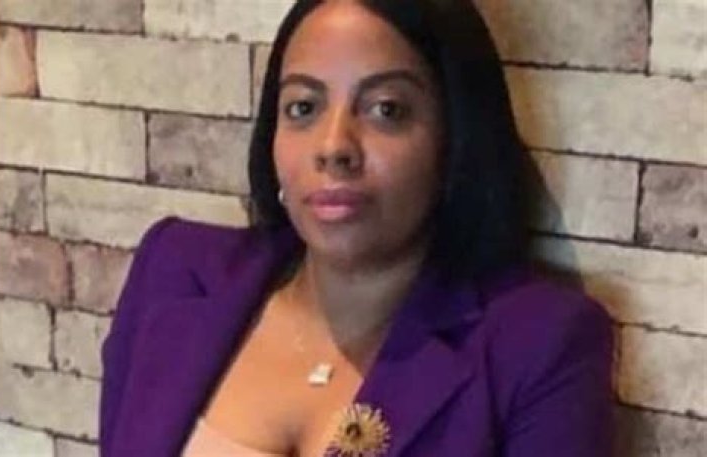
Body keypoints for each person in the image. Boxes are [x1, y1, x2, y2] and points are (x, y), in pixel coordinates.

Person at [99, 0, 614, 456]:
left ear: (455, 137)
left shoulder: (538, 345)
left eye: (386, 110)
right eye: (303, 108)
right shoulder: (174, 271)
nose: (333, 147)